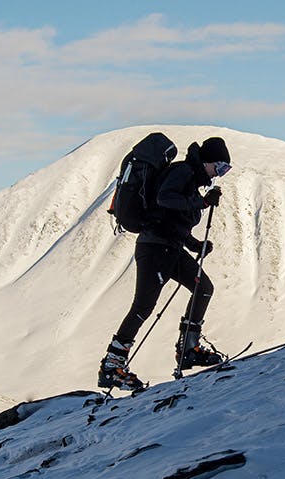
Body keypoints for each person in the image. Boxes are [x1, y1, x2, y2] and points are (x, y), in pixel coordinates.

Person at [98, 137, 233, 390]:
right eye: (221, 167)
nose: (220, 174)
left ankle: (189, 349)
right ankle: (111, 366)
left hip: (169, 247)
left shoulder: (191, 180)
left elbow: (171, 220)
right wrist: (201, 202)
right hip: (154, 248)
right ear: (208, 162)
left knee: (203, 287)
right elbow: (164, 199)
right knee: (144, 306)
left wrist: (194, 245)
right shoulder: (182, 171)